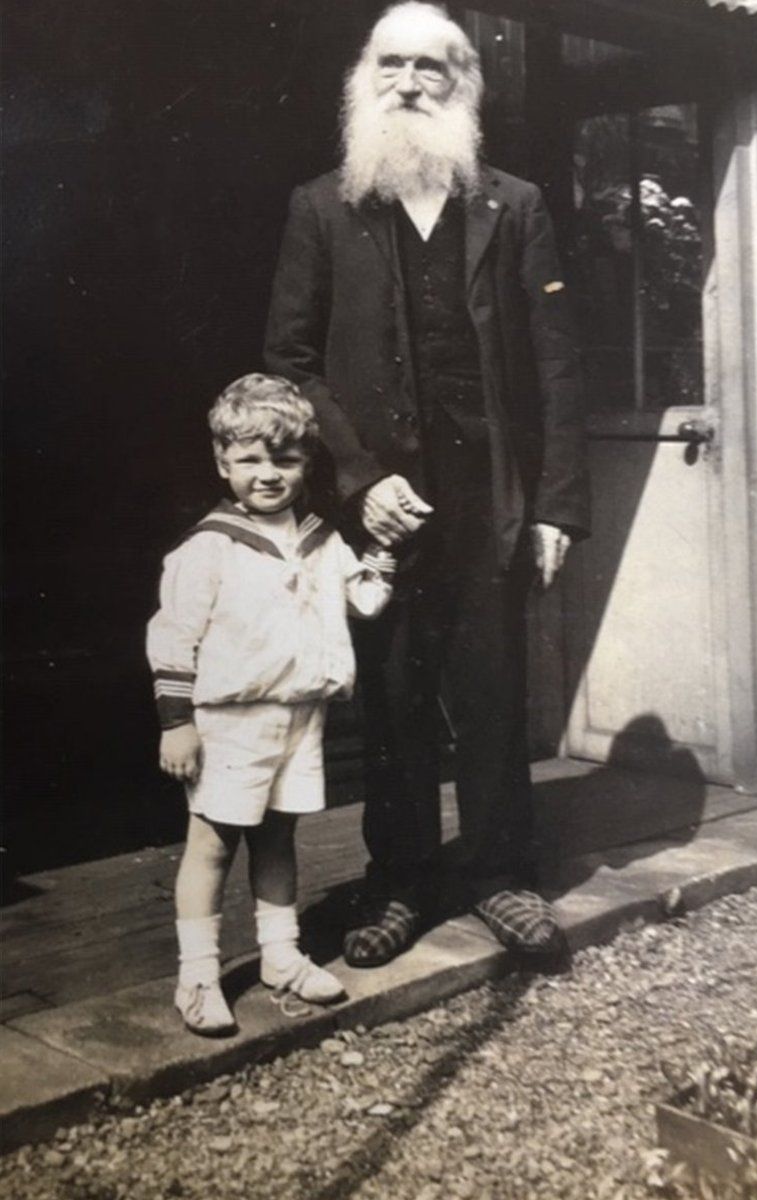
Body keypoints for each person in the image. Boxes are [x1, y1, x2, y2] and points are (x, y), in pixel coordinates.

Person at [264, 2, 589, 967]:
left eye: (431, 68)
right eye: (392, 65)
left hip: (487, 494)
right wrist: (357, 482)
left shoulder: (515, 205)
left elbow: (557, 369)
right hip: (380, 507)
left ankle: (499, 875)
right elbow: (290, 363)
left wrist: (558, 504)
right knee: (394, 700)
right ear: (367, 79)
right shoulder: (322, 207)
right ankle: (399, 882)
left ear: (463, 85)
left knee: (491, 693)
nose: (409, 82)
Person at [147, 373, 395, 1034]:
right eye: (250, 459)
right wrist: (177, 725)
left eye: (284, 459)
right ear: (222, 461)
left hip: (299, 718)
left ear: (306, 462)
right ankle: (197, 976)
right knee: (212, 845)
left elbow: (365, 600)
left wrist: (384, 555)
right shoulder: (209, 547)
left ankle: (280, 956)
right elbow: (172, 639)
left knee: (279, 837)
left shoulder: (320, 539)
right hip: (229, 723)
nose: (267, 474)